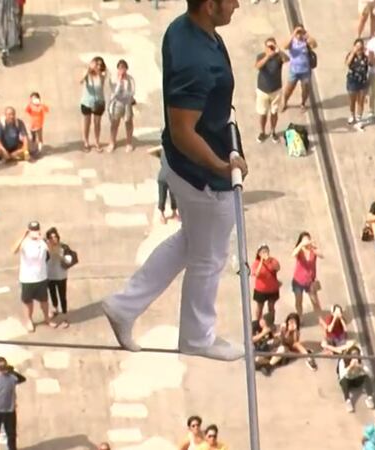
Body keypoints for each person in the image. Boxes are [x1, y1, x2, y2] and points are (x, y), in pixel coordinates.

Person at [101, 0, 249, 362]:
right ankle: (197, 337)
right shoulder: (197, 61)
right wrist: (219, 166)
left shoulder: (182, 29)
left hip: (183, 164)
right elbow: (184, 131)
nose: (237, 4)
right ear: (210, 5)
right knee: (210, 258)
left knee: (190, 242)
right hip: (202, 176)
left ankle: (124, 305)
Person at [13, 221, 53, 332]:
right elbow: (14, 250)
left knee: (44, 300)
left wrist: (43, 240)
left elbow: (51, 251)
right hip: (27, 279)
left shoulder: (42, 242)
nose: (34, 232)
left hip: (41, 277)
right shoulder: (24, 243)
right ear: (29, 231)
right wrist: (23, 235)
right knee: (28, 302)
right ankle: (29, 320)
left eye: (36, 230)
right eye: (32, 230)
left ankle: (47, 318)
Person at [0, 357, 26, 450]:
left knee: (11, 435)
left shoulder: (11, 377)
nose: (2, 368)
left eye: (4, 366)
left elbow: (23, 379)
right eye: (1, 366)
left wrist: (13, 372)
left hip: (10, 411)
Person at [255, 37, 287, 143]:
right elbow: (257, 66)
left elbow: (287, 60)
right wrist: (268, 56)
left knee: (274, 112)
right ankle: (262, 132)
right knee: (262, 113)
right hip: (262, 90)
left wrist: (279, 51)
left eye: (272, 46)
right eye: (269, 46)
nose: (271, 48)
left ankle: (273, 131)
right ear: (265, 47)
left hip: (276, 90)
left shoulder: (279, 57)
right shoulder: (261, 56)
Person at [45, 227, 76, 329]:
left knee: (62, 296)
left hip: (61, 276)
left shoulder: (64, 247)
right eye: (51, 237)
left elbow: (69, 260)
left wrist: (60, 256)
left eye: (55, 237)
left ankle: (64, 317)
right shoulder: (45, 248)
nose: (54, 239)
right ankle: (55, 309)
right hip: (50, 275)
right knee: (52, 294)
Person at [281, 25, 316, 112]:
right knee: (289, 88)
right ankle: (285, 102)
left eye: (301, 32)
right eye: (298, 33)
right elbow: (285, 46)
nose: (299, 35)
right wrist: (293, 34)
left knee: (305, 89)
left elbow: (314, 45)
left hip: (305, 70)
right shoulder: (292, 41)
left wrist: (307, 34)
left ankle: (303, 103)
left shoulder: (306, 41)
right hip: (294, 70)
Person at [291, 231, 323, 319]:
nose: (306, 241)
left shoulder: (313, 250)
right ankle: (300, 316)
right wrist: (301, 245)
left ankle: (320, 319)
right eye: (304, 240)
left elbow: (321, 255)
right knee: (298, 301)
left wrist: (313, 247)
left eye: (308, 239)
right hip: (298, 280)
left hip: (310, 281)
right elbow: (293, 254)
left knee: (315, 302)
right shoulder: (299, 251)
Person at [107, 59, 137, 153]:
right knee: (114, 123)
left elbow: (132, 91)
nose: (122, 70)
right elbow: (114, 92)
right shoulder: (113, 79)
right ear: (118, 69)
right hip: (117, 103)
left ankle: (129, 143)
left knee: (128, 122)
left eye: (124, 68)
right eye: (120, 68)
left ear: (126, 69)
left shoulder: (130, 79)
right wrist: (119, 81)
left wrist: (127, 96)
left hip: (127, 103)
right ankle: (112, 143)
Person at [80, 56, 108, 152]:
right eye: (96, 64)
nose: (98, 66)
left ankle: (97, 142)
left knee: (97, 123)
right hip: (86, 102)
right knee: (86, 123)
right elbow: (81, 81)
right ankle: (86, 142)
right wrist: (88, 70)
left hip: (99, 102)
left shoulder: (102, 75)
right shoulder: (86, 73)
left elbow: (101, 80)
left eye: (100, 65)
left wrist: (98, 71)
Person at [337, 346, 375, 412]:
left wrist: (361, 366)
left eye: (356, 354)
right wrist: (350, 367)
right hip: (348, 380)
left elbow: (370, 373)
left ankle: (369, 398)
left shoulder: (361, 360)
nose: (355, 356)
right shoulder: (343, 361)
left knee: (366, 377)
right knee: (343, 381)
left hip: (357, 380)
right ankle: (347, 401)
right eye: (353, 354)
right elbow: (341, 375)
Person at [251, 244, 280, 325]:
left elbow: (277, 268)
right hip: (260, 290)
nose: (265, 253)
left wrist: (270, 261)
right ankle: (257, 323)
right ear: (259, 254)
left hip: (272, 289)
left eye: (266, 251)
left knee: (271, 307)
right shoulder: (256, 263)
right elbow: (256, 274)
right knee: (259, 307)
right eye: (263, 252)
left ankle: (271, 323)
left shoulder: (273, 260)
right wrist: (261, 262)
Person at [346, 38, 370, 129]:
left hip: (362, 81)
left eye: (361, 47)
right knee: (352, 99)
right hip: (352, 80)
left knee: (361, 100)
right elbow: (347, 63)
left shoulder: (365, 57)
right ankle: (352, 115)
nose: (359, 49)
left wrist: (368, 54)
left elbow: (370, 64)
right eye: (357, 47)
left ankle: (359, 116)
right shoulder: (351, 55)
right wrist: (353, 52)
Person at [155, 148, 179, 224]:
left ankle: (163, 215)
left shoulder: (164, 150)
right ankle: (173, 213)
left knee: (162, 196)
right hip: (170, 177)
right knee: (173, 196)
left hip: (164, 176)